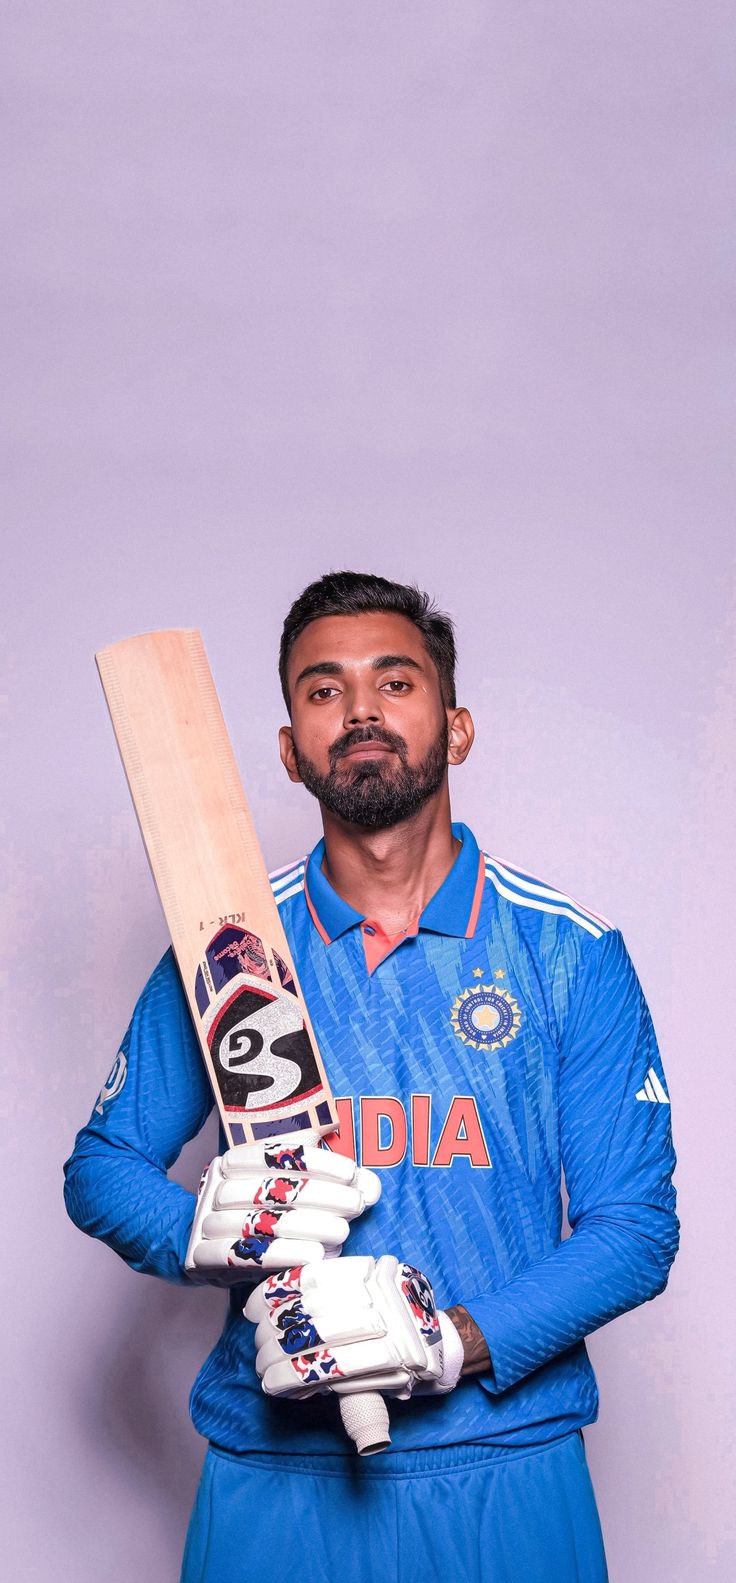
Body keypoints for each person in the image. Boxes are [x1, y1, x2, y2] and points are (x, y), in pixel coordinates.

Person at [64, 570, 679, 1583]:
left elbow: (634, 1227)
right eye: (321, 689)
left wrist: (455, 1342)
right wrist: (195, 1232)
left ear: (457, 725)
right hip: (277, 1473)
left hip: (506, 1463)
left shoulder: (569, 951)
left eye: (394, 682)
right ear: (288, 750)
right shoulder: (226, 950)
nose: (359, 710)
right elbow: (104, 1164)